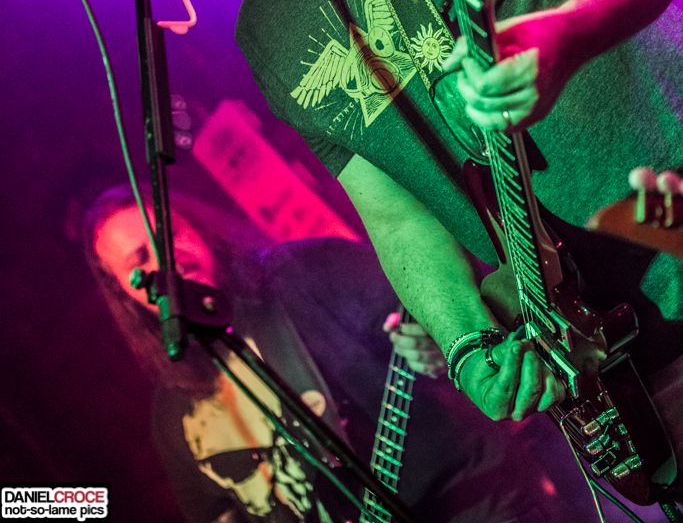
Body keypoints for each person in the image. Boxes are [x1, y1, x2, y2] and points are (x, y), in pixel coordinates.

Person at [105, 0, 683, 498]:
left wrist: (565, 33)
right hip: (616, 365)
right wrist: (468, 345)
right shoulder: (266, 32)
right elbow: (393, 212)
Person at [84, 185, 591, 523]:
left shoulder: (309, 271)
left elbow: (445, 316)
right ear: (125, 293)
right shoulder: (173, 412)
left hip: (474, 503)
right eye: (142, 262)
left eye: (168, 234)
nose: (168, 261)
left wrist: (441, 350)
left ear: (194, 224)